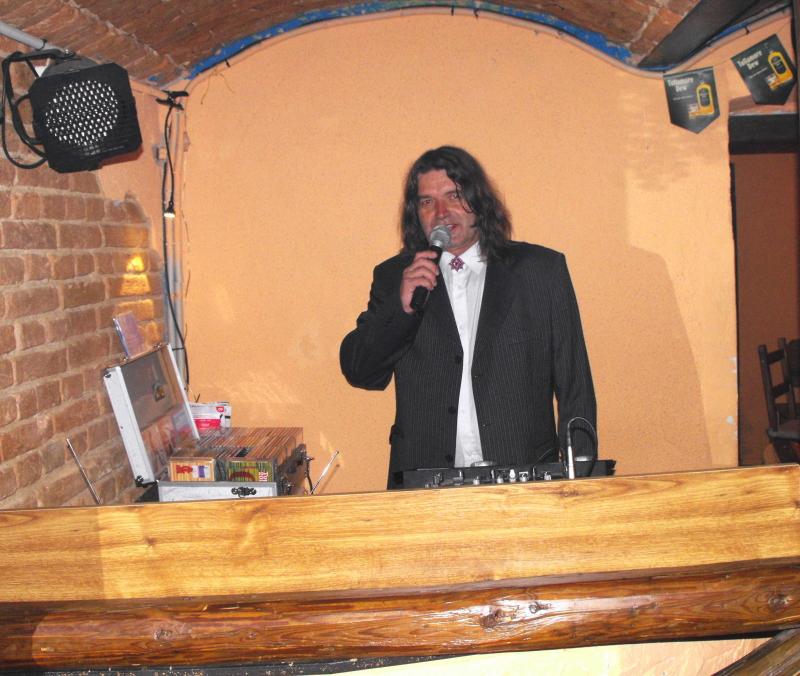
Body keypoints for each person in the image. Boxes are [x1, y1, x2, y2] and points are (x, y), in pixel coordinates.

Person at [340, 145, 596, 488]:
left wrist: (581, 480)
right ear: (416, 213)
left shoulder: (540, 271)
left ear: (479, 200)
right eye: (427, 201)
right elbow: (360, 371)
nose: (441, 213)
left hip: (525, 477)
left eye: (455, 195)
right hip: (425, 481)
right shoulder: (394, 277)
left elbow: (574, 383)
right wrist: (400, 310)